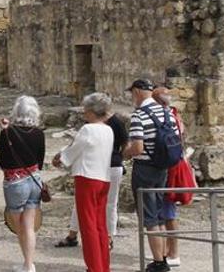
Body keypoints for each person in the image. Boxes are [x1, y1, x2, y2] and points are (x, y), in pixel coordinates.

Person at [52, 93, 114, 272]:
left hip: (87, 178)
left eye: (86, 109)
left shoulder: (88, 129)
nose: (84, 112)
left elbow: (74, 150)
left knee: (88, 226)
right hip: (103, 178)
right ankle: (103, 266)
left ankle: (94, 267)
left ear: (93, 111)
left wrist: (61, 158)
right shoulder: (108, 130)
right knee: (100, 225)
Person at [56, 95, 128, 250]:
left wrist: (63, 157)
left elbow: (124, 144)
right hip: (103, 167)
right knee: (94, 206)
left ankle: (105, 238)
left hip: (102, 168)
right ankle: (84, 236)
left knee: (103, 207)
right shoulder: (103, 125)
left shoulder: (107, 124)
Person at [123, 78, 179, 272]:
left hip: (144, 169)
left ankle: (159, 263)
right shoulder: (167, 112)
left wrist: (125, 152)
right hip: (162, 168)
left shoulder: (139, 115)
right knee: (159, 214)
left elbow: (138, 147)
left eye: (132, 93)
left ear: (137, 92)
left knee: (149, 217)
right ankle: (162, 256)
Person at [0, 95, 45, 272]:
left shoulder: (7, 133)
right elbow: (40, 162)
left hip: (15, 182)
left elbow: (3, 161)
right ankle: (29, 264)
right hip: (34, 180)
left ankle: (27, 264)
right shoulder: (39, 133)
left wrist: (6, 131)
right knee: (29, 226)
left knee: (19, 228)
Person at [153, 86, 185, 268]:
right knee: (164, 211)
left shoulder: (169, 117)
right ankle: (165, 250)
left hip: (169, 167)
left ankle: (173, 252)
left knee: (168, 211)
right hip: (170, 165)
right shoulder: (174, 115)